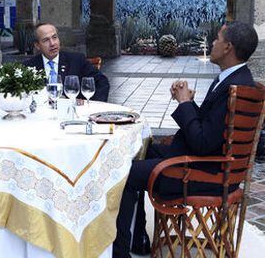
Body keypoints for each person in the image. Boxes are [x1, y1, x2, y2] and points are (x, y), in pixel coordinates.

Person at [113, 20, 259, 258]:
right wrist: (189, 102)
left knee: (126, 173)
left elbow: (202, 142)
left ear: (228, 47)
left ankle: (119, 253)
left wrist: (184, 103)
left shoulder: (234, 86)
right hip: (215, 165)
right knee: (144, 150)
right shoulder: (237, 79)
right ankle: (139, 238)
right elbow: (211, 130)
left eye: (217, 39)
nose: (212, 42)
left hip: (208, 173)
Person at [23, 23, 110, 102]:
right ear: (37, 45)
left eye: (54, 37)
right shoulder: (29, 67)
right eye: (46, 40)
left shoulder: (77, 60)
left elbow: (102, 82)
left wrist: (91, 105)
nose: (52, 43)